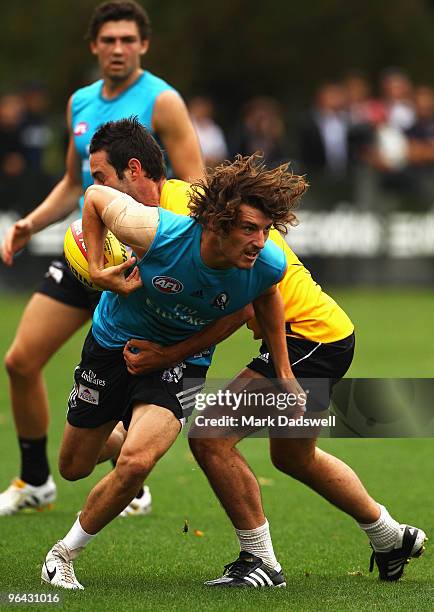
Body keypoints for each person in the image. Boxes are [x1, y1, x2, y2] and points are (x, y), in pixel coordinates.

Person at [41, 118, 308, 590]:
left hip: (181, 364)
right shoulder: (159, 231)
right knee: (74, 466)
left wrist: (284, 374)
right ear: (218, 224)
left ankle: (63, 554)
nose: (260, 242)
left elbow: (267, 296)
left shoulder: (265, 262)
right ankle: (119, 430)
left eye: (266, 229)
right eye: (249, 229)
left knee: (140, 463)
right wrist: (101, 270)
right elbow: (95, 198)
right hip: (112, 344)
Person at [126, 219, 426, 586]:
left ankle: (260, 561)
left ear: (138, 171)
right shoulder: (190, 214)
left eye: (107, 177)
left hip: (307, 340)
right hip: (324, 335)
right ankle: (390, 537)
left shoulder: (176, 213)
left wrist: (170, 354)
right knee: (293, 456)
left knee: (210, 436)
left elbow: (244, 310)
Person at [0, 0, 203, 516]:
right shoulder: (80, 103)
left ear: (143, 46)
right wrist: (30, 223)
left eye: (127, 40)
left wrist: (173, 251)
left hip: (144, 261)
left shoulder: (164, 102)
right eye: (108, 40)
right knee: (20, 361)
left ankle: (129, 469)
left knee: (131, 373)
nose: (118, 48)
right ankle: (36, 481)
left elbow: (197, 182)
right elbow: (74, 183)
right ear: (94, 45)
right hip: (85, 249)